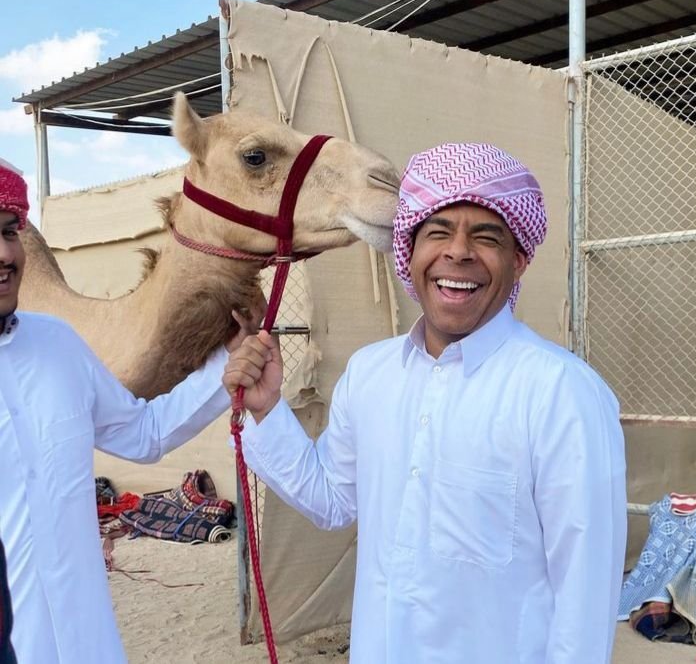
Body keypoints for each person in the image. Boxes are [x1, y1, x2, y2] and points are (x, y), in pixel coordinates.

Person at [223, 143, 627, 663]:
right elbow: (331, 500)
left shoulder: (562, 393)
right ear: (408, 254)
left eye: (486, 236)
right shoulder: (370, 374)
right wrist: (266, 408)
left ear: (519, 261)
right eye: (437, 232)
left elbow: (585, 594)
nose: (457, 252)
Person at [0, 158, 257, 663]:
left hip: (84, 637)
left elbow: (142, 432)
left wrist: (226, 368)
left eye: (10, 231)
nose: (5, 253)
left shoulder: (57, 344)